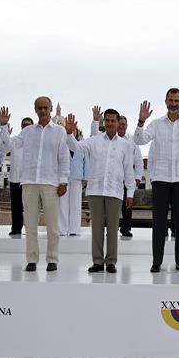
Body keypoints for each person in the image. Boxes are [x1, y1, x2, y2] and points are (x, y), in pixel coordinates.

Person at [133, 88, 179, 273]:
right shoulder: (156, 124)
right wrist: (141, 121)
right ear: (165, 102)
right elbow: (139, 140)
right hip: (160, 178)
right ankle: (157, 262)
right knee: (159, 222)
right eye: (170, 100)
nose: (173, 103)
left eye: (176, 100)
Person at [0, 98, 69, 272]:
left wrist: (63, 181)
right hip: (29, 182)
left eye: (46, 108)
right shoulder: (27, 132)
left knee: (52, 225)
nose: (43, 111)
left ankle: (52, 259)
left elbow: (63, 158)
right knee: (30, 224)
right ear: (35, 110)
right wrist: (3, 127)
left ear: (51, 109)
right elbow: (10, 144)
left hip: (50, 183)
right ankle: (32, 259)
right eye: (40, 108)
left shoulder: (60, 132)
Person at [65, 109, 135, 273]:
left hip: (115, 191)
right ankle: (97, 261)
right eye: (107, 120)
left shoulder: (125, 145)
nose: (110, 123)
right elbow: (76, 147)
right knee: (97, 228)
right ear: (104, 122)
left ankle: (110, 261)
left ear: (118, 123)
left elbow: (128, 170)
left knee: (112, 228)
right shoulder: (94, 141)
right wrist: (69, 134)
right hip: (95, 189)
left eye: (113, 121)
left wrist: (130, 192)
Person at [90, 107, 143, 237]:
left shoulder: (132, 141)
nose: (122, 126)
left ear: (126, 125)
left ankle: (125, 229)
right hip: (111, 179)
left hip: (127, 179)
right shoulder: (103, 138)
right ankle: (110, 230)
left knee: (127, 206)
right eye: (121, 124)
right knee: (109, 208)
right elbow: (94, 135)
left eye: (124, 124)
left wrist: (137, 177)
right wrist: (95, 120)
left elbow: (138, 160)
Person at [7, 117, 34, 237]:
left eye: (28, 125)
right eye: (24, 125)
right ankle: (16, 228)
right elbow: (5, 145)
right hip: (15, 178)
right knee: (16, 206)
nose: (26, 127)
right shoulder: (14, 140)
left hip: (29, 179)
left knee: (30, 207)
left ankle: (30, 230)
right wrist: (5, 132)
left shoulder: (36, 142)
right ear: (21, 126)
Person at [59, 129, 87, 236]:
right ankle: (62, 229)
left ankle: (74, 229)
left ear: (77, 133)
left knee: (76, 204)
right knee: (63, 203)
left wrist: (86, 177)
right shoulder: (62, 145)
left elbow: (86, 162)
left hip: (77, 177)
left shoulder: (82, 145)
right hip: (63, 178)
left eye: (74, 131)